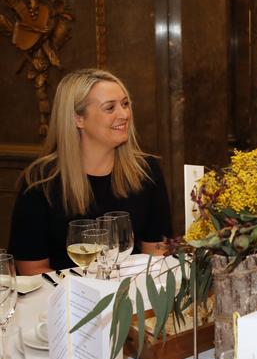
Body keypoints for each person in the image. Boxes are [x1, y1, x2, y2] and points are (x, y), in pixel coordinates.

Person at [9, 69, 172, 275]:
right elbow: (31, 269)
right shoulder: (41, 181)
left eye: (125, 104)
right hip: (67, 300)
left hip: (132, 296)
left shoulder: (147, 171)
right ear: (78, 119)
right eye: (110, 107)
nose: (124, 114)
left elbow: (156, 254)